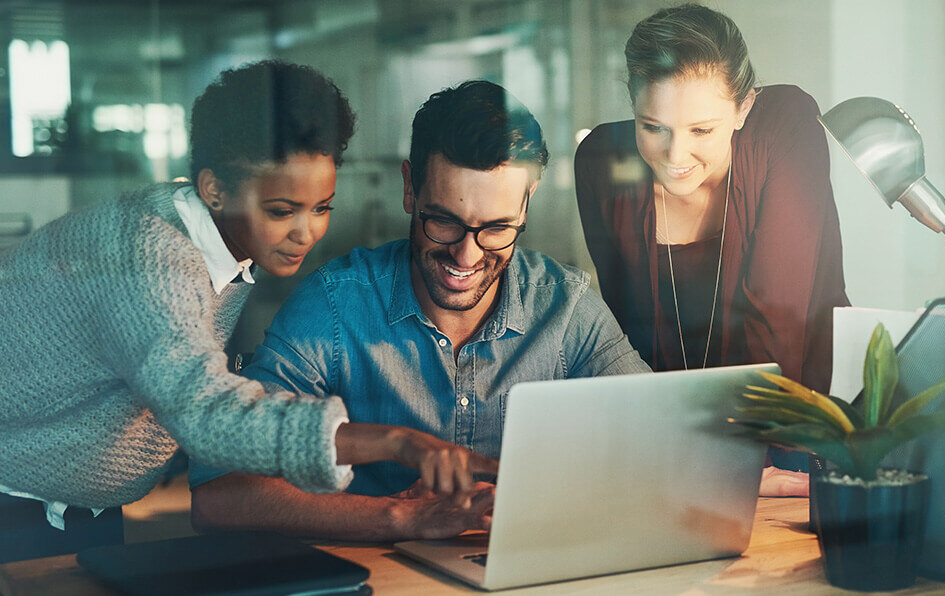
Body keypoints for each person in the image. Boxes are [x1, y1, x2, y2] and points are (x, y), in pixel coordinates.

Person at [0, 61, 489, 561]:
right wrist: (397, 442)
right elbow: (208, 415)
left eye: (322, 207)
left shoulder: (212, 240)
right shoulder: (151, 260)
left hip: (76, 509)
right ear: (214, 189)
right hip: (13, 505)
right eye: (281, 211)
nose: (307, 233)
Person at [188, 80, 650, 541]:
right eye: (444, 221)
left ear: (527, 201)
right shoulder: (333, 307)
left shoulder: (566, 307)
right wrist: (398, 517)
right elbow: (220, 493)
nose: (466, 257)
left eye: (496, 228)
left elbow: (666, 443)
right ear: (410, 188)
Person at [574, 4, 849, 497]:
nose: (675, 157)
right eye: (652, 127)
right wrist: (675, 456)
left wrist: (740, 460)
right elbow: (623, 337)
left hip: (792, 433)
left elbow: (777, 322)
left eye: (702, 130)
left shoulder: (783, 125)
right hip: (671, 452)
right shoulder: (600, 160)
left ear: (745, 107)